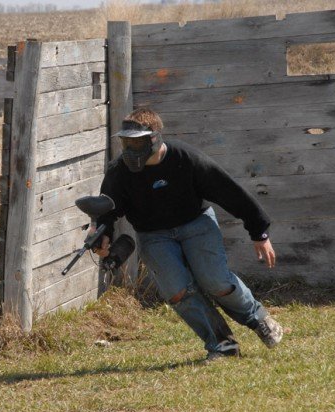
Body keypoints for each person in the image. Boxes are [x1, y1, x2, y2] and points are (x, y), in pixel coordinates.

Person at [94, 108, 283, 361]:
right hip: (153, 235)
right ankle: (221, 343)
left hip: (196, 224)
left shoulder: (187, 158)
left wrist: (259, 231)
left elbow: (229, 191)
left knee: (215, 281)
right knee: (176, 290)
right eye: (126, 142)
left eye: (136, 142)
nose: (130, 149)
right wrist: (101, 233)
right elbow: (108, 207)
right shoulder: (119, 171)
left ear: (155, 138)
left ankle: (257, 318)